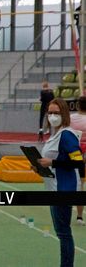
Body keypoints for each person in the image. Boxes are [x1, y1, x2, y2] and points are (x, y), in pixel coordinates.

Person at [35, 98, 85, 267]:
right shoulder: (54, 135)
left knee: (64, 233)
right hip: (54, 187)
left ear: (63, 114)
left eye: (56, 113)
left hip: (64, 188)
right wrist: (40, 167)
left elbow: (78, 162)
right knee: (61, 232)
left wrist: (52, 163)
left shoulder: (67, 135)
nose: (52, 116)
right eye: (50, 113)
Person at [69, 96, 86, 225]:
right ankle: (79, 216)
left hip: (75, 154)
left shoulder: (71, 118)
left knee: (79, 185)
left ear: (77, 106)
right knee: (81, 186)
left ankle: (79, 216)